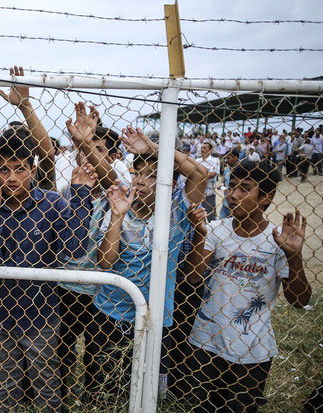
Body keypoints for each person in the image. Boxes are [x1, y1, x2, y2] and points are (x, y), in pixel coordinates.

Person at [0, 129, 95, 412]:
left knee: (46, 382)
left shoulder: (51, 203)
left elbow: (75, 248)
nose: (12, 178)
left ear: (33, 169)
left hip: (42, 313)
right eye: (4, 170)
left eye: (20, 169)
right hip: (0, 313)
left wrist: (80, 194)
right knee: (5, 384)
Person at [183, 159, 311, 412]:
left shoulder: (276, 240)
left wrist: (293, 255)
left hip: (252, 350)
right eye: (231, 187)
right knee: (198, 407)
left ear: (266, 198)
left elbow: (300, 301)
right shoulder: (217, 230)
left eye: (244, 188)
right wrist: (200, 233)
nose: (233, 195)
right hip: (206, 342)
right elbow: (193, 277)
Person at [93, 126, 207, 400]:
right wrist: (117, 219)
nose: (141, 182)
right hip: (112, 313)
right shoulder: (118, 205)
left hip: (156, 317)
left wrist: (154, 149)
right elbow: (106, 263)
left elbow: (199, 174)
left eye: (153, 176)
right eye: (137, 174)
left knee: (148, 388)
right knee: (107, 387)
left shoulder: (176, 211)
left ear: (170, 183)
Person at [57, 102, 130, 404]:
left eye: (98, 151)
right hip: (65, 287)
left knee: (98, 353)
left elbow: (112, 179)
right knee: (61, 349)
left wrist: (85, 139)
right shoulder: (67, 193)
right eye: (85, 151)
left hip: (101, 290)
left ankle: (93, 399)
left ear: (113, 157)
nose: (89, 158)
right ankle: (58, 397)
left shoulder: (119, 194)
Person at [196, 141, 221, 220]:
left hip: (209, 193)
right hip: (198, 193)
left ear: (210, 150)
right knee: (199, 217)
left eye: (205, 148)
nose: (202, 150)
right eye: (202, 148)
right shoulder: (197, 161)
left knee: (211, 217)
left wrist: (199, 177)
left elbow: (213, 174)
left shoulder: (215, 160)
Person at [219, 148, 240, 219]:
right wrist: (222, 187)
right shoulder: (227, 171)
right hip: (226, 202)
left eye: (229, 158)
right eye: (226, 158)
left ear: (235, 158)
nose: (226, 160)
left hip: (236, 202)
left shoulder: (241, 171)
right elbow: (225, 184)